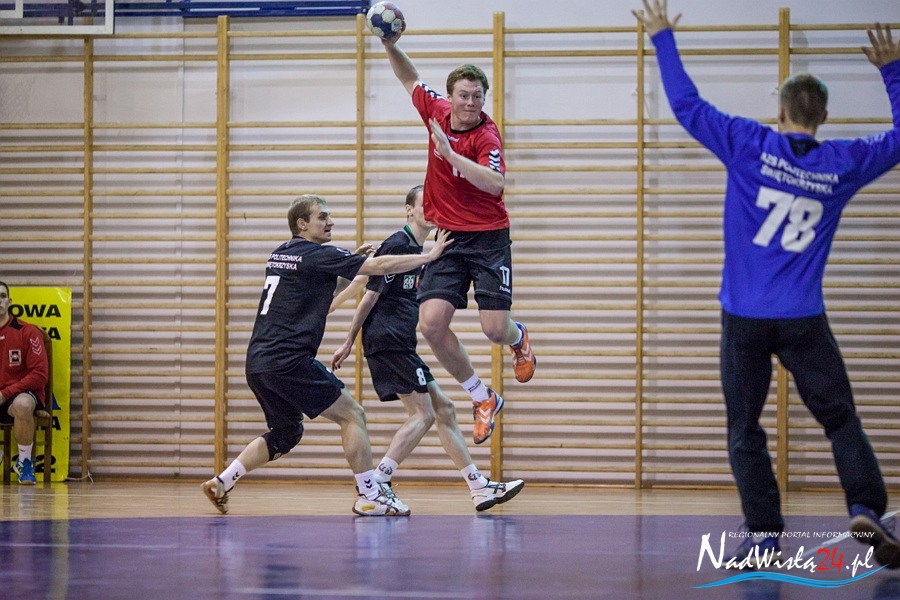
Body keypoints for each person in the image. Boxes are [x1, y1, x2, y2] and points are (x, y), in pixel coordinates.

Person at [633, 0, 900, 569]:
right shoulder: (842, 163)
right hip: (803, 318)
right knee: (840, 418)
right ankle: (866, 510)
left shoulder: (748, 143)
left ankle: (763, 536)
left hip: (745, 319)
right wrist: (893, 71)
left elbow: (687, 105)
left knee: (744, 428)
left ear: (779, 111)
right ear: (822, 117)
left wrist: (662, 38)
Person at [201, 195, 451, 517]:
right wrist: (428, 256)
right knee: (353, 415)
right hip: (288, 360)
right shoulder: (318, 255)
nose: (330, 222)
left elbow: (319, 288)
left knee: (287, 433)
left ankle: (222, 482)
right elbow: (379, 267)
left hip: (258, 363)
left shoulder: (282, 254)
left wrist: (348, 263)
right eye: (322, 217)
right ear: (302, 224)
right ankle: (369, 496)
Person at [377, 30, 537, 446]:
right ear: (451, 96)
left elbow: (495, 182)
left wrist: (451, 156)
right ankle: (482, 397)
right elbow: (409, 78)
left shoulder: (486, 136)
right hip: (448, 236)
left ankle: (518, 338)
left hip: (487, 239)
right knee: (430, 326)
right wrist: (390, 46)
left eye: (477, 96)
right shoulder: (437, 110)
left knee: (494, 330)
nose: (470, 103)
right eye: (464, 95)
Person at [330, 185, 525, 511]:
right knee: (422, 415)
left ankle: (478, 487)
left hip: (402, 342)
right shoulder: (398, 244)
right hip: (387, 341)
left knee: (445, 409)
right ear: (408, 209)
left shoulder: (424, 251)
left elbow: (361, 281)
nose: (431, 211)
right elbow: (369, 295)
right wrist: (349, 340)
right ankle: (376, 483)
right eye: (424, 205)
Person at [0, 280, 48, 485]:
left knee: (22, 404)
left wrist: (5, 393)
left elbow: (40, 374)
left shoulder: (27, 331)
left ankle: (24, 463)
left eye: (2, 296)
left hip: (18, 396)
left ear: (9, 302)